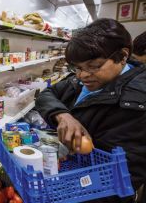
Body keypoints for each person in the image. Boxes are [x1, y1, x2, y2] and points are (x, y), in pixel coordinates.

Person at [35, 18, 146, 203]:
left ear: (123, 56)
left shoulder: (136, 103)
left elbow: (119, 179)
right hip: (71, 173)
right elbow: (46, 94)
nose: (83, 75)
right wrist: (63, 116)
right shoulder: (81, 81)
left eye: (93, 67)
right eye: (78, 68)